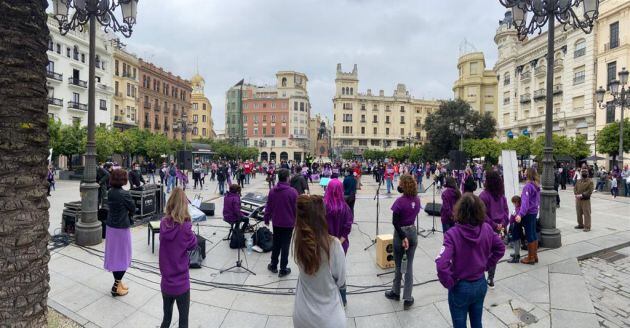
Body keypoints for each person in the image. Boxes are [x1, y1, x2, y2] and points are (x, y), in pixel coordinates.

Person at [435, 193, 505, 328]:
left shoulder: (452, 234)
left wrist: (450, 282)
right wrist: (487, 264)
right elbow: (500, 248)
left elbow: (441, 263)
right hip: (480, 283)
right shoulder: (487, 229)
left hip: (461, 285)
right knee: (477, 322)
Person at [292, 195, 347, 328]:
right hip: (329, 317)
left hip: (302, 315)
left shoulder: (297, 240)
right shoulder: (333, 245)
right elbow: (341, 281)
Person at [159, 188, 197, 328]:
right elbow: (193, 245)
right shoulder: (185, 228)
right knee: (183, 321)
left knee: (166, 319)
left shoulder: (163, 223)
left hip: (166, 282)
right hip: (181, 284)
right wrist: (189, 226)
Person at [384, 174, 420, 310]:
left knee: (399, 265)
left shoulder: (400, 201)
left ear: (403, 185)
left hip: (401, 234)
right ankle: (408, 297)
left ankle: (396, 292)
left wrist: (402, 236)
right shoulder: (417, 200)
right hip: (412, 232)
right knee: (409, 265)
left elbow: (395, 222)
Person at [103, 169, 136, 297]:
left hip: (111, 227)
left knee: (114, 255)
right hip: (121, 228)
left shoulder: (110, 192)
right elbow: (132, 208)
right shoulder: (124, 194)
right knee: (123, 256)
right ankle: (116, 287)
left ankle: (119, 282)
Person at [323, 179, 353, 306]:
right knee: (340, 272)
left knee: (326, 271)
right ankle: (343, 299)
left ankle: (329, 298)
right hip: (341, 244)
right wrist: (339, 242)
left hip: (326, 244)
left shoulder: (323, 206)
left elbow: (319, 226)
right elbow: (347, 226)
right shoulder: (346, 207)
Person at [265, 169, 298, 277]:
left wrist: (266, 218)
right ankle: (283, 269)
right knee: (285, 245)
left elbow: (268, 206)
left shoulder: (273, 191)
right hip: (289, 223)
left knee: (276, 243)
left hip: (276, 222)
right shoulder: (293, 192)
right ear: (288, 178)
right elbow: (296, 209)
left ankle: (273, 265)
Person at [479, 171, 509, 288]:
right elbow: (506, 212)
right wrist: (502, 224)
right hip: (500, 229)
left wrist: (494, 224)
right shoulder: (502, 196)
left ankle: (481, 274)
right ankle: (491, 278)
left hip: (488, 229)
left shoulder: (483, 196)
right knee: (495, 253)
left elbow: (482, 214)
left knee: (483, 252)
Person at [514, 168, 540, 265]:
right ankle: (535, 255)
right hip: (534, 212)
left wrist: (520, 214)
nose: (524, 173)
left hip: (528, 213)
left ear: (528, 174)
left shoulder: (528, 187)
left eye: (525, 172)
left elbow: (525, 203)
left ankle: (530, 257)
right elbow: (537, 201)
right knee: (533, 233)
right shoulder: (536, 185)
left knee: (529, 234)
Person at [508, 195, 523, 263]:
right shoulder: (519, 208)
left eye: (513, 203)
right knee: (517, 241)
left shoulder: (518, 209)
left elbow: (514, 217)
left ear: (516, 202)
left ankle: (516, 256)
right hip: (517, 227)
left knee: (516, 242)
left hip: (515, 227)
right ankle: (516, 253)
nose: (513, 204)